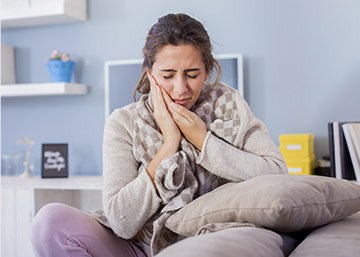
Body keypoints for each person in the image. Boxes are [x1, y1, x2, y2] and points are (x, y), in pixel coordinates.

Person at [30, 13, 287, 257]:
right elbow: (121, 221)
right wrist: (169, 146)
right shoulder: (124, 122)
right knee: (49, 221)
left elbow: (277, 174)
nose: (181, 89)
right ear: (150, 74)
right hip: (137, 245)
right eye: (167, 75)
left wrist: (203, 141)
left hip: (207, 240)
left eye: (192, 75)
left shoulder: (229, 107)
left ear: (207, 71)